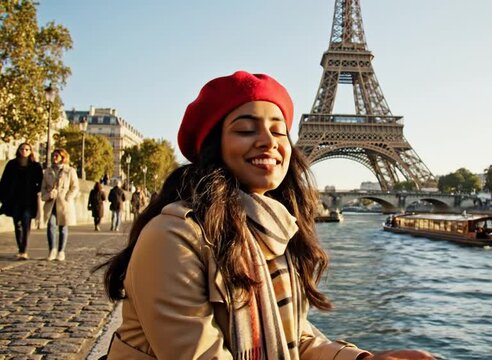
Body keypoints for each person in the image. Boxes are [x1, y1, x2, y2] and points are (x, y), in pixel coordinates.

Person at [99, 71, 434, 359]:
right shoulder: (171, 237)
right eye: (246, 130)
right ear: (214, 146)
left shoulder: (275, 229)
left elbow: (292, 337)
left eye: (278, 131)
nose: (268, 142)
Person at [0, 142, 43, 260]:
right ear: (19, 150)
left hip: (29, 200)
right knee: (17, 224)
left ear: (30, 152)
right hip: (15, 199)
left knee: (26, 222)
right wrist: (2, 197)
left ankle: (24, 250)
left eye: (27, 149)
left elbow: (40, 183)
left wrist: (39, 194)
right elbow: (4, 181)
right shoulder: (12, 164)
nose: (24, 151)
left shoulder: (35, 166)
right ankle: (20, 248)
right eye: (22, 149)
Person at [41, 148, 79, 261]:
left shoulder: (70, 171)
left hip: (64, 203)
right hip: (51, 202)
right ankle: (52, 249)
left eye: (56, 156)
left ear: (63, 157)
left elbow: (75, 186)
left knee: (63, 227)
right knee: (51, 225)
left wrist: (68, 197)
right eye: (53, 155)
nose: (54, 158)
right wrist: (48, 195)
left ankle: (61, 251)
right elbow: (43, 188)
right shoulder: (47, 171)